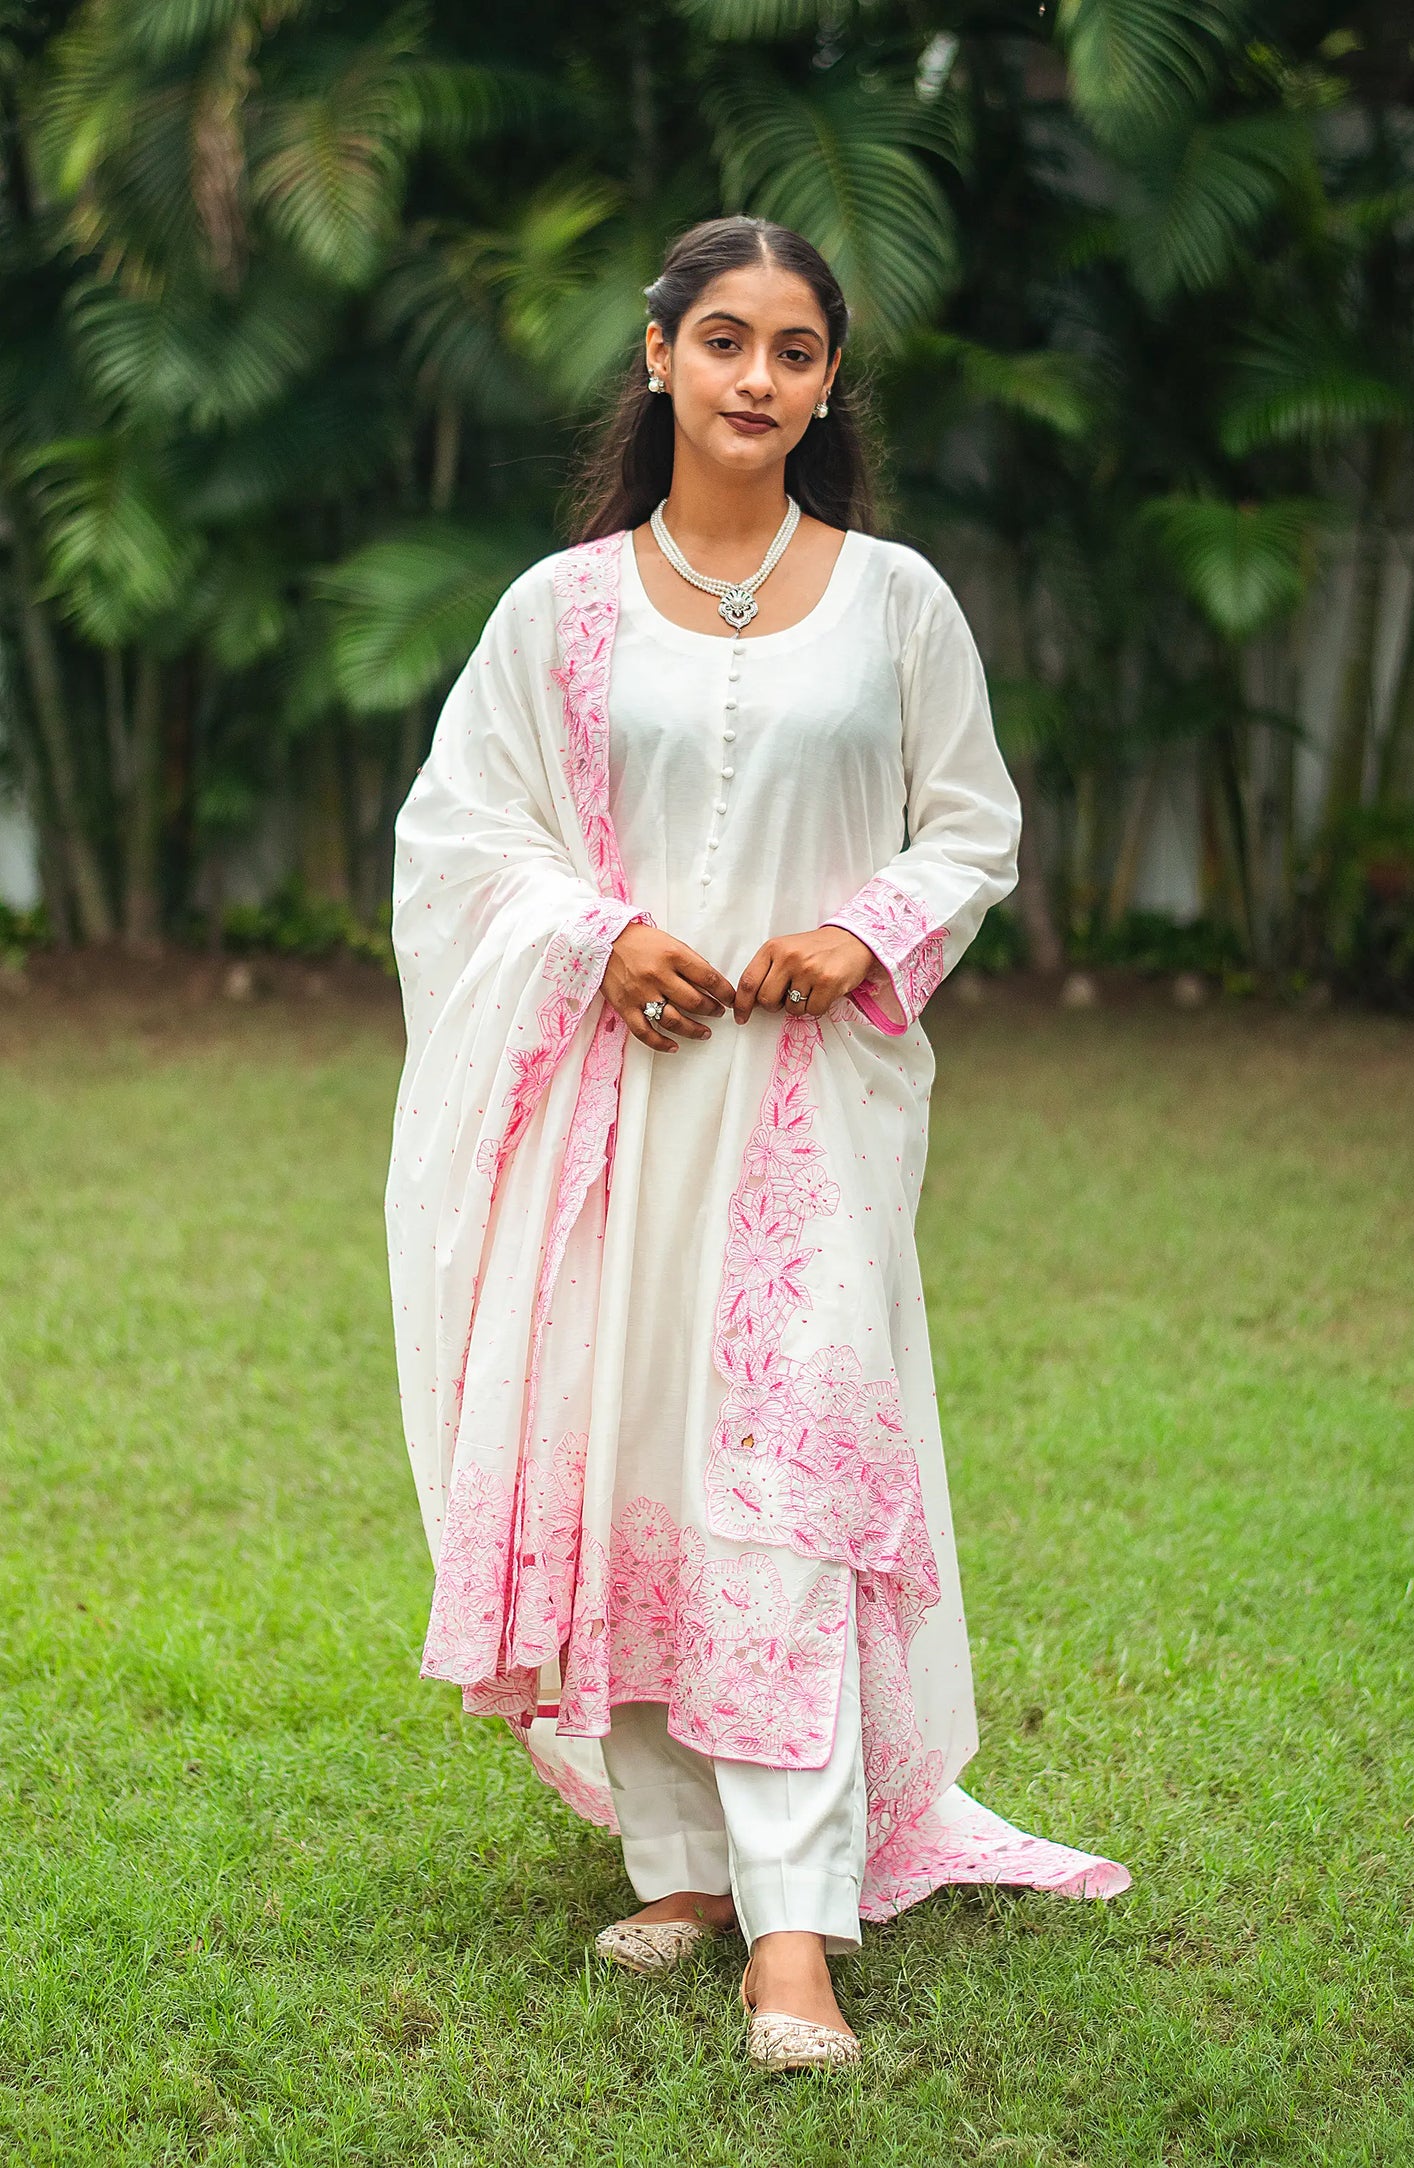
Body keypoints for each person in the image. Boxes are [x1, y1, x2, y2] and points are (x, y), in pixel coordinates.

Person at [385, 214, 1128, 2073]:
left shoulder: (894, 599)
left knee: (786, 1489)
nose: (755, 380)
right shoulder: (554, 615)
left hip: (808, 1123)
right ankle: (688, 1860)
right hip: (611, 1113)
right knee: (622, 1459)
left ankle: (792, 1931)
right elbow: (465, 837)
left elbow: (970, 831)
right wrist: (600, 939)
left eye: (794, 352)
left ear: (825, 384)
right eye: (723, 340)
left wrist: (860, 932)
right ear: (655, 358)